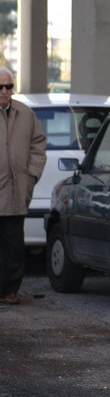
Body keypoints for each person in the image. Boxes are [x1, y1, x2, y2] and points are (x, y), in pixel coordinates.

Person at [0, 67, 46, 304]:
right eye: (0, 87)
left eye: (9, 87)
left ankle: (10, 291)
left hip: (17, 194)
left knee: (14, 247)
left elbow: (38, 145)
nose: (5, 91)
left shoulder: (25, 114)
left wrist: (31, 175)